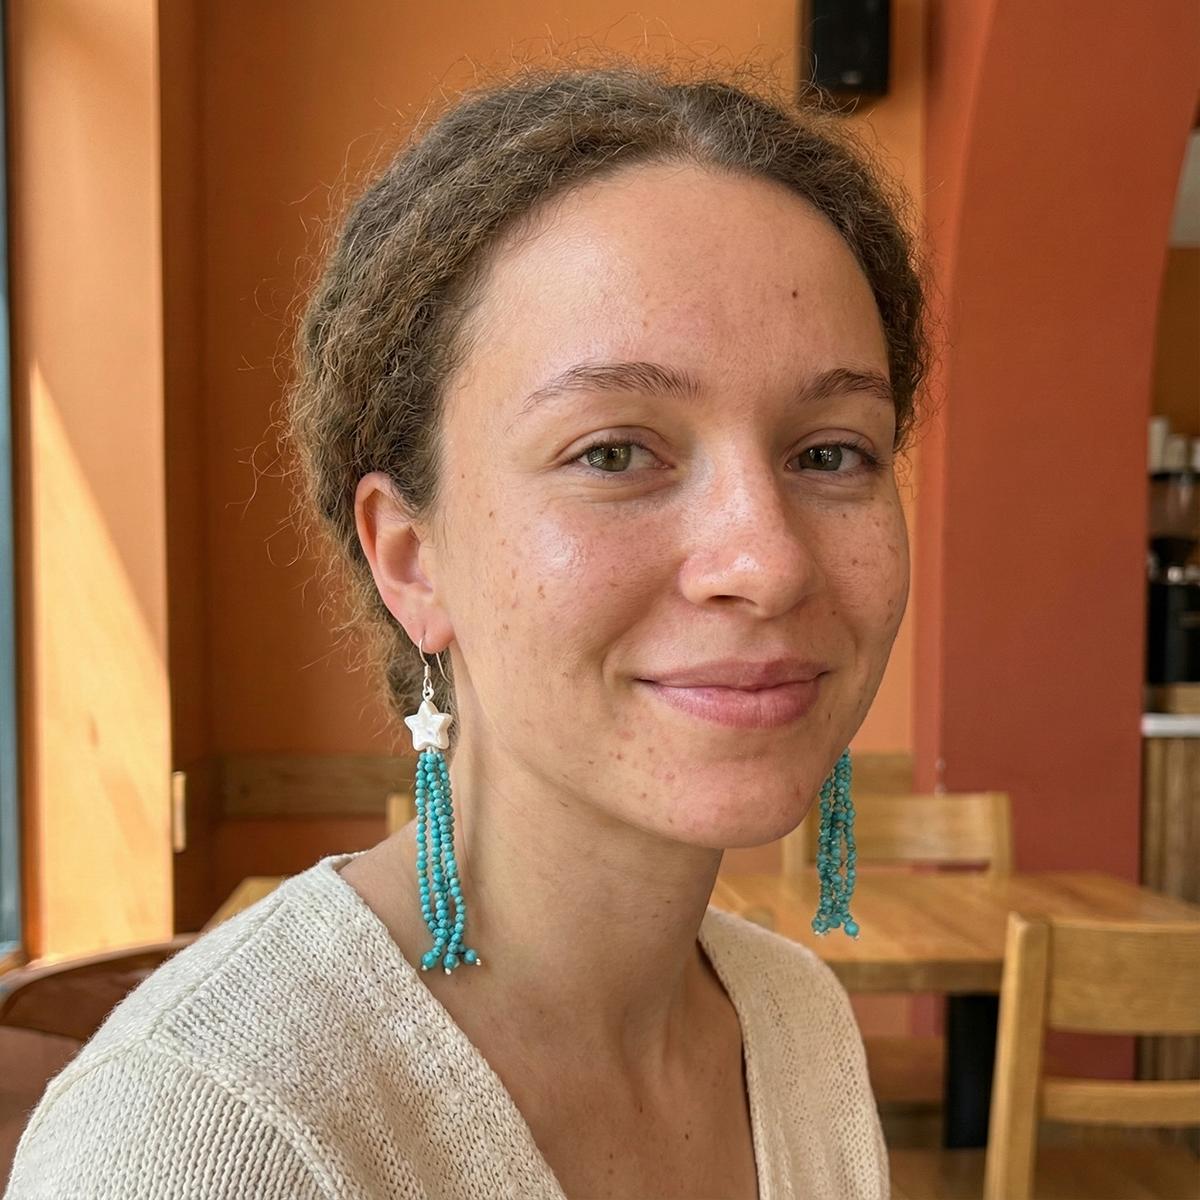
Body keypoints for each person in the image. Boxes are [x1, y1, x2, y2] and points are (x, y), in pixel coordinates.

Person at [7, 60, 925, 1199]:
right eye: (614, 452)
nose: (768, 561)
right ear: (410, 556)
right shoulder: (200, 1141)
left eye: (831, 451)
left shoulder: (796, 1026)